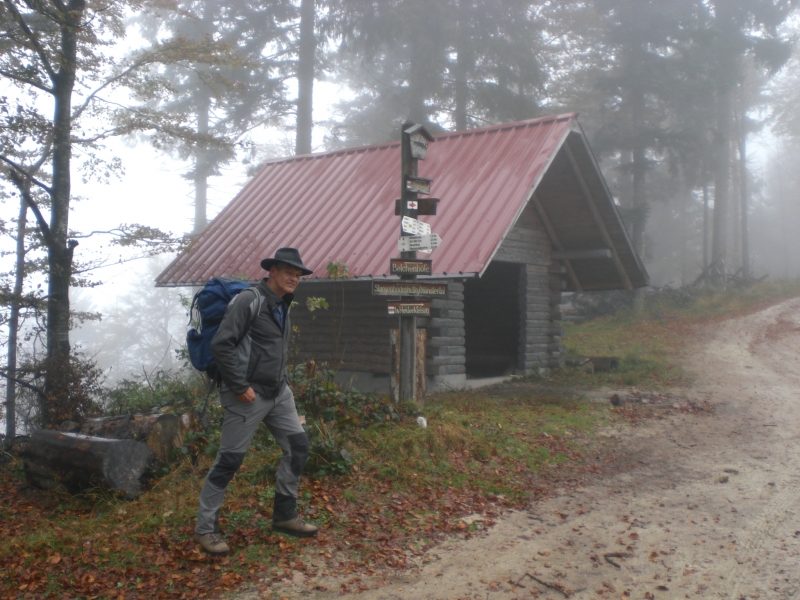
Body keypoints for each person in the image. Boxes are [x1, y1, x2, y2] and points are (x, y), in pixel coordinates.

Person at [194, 247, 317, 556]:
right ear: (272, 271)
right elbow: (221, 344)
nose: (294, 278)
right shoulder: (250, 300)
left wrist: (284, 381)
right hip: (246, 396)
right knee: (229, 460)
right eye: (288, 271)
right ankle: (206, 529)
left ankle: (285, 516)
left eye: (298, 274)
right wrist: (239, 385)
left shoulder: (281, 304)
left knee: (298, 447)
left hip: (278, 393)